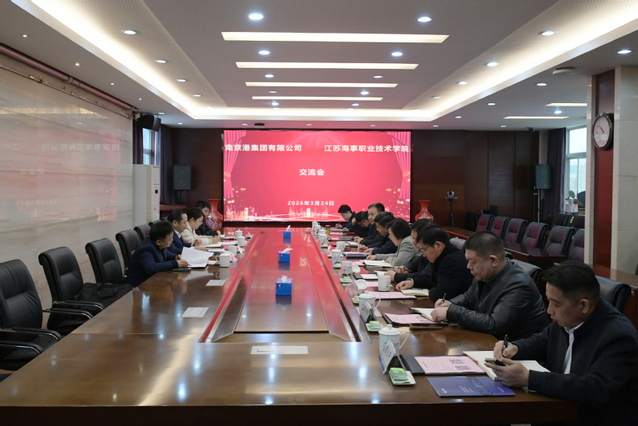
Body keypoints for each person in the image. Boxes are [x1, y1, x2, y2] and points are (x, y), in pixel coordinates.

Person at [488, 262, 638, 425]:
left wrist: (529, 378)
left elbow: (595, 388)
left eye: (556, 304)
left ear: (583, 305)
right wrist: (516, 347)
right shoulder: (568, 318)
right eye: (549, 301)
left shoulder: (619, 337)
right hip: (557, 410)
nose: (549, 310)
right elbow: (542, 341)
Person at [431, 231, 548, 340]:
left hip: (514, 351)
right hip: (488, 343)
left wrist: (451, 312)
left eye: (473, 262)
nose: (468, 266)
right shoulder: (484, 274)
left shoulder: (519, 285)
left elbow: (495, 325)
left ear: (493, 261)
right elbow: (468, 298)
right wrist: (450, 304)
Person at [397, 225, 473, 302]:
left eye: (424, 250)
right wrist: (413, 283)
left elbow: (440, 294)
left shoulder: (452, 262)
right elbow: (434, 281)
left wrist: (431, 292)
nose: (424, 255)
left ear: (438, 245)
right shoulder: (442, 255)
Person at [127, 220, 188, 287]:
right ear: (158, 242)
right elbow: (151, 268)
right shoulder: (146, 249)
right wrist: (175, 263)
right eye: (169, 239)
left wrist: (175, 257)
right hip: (142, 286)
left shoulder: (159, 242)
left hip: (155, 281)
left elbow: (167, 254)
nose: (172, 240)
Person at [386, 219, 433, 289]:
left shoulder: (440, 255)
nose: (413, 242)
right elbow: (414, 264)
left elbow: (426, 277)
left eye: (415, 239)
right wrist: (405, 268)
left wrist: (396, 276)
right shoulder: (425, 253)